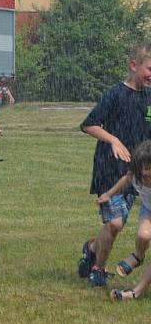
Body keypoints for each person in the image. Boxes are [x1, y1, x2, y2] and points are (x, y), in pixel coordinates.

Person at [77, 43, 151, 287]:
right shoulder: (115, 94)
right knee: (115, 222)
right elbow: (89, 124)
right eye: (149, 68)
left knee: (118, 223)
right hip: (109, 169)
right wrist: (113, 139)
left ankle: (91, 248)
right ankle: (98, 269)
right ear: (134, 65)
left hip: (137, 173)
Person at [98, 140, 151, 301]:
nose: (148, 172)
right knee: (143, 236)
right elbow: (125, 180)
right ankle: (138, 256)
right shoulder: (136, 176)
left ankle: (136, 292)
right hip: (148, 210)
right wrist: (108, 194)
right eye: (146, 168)